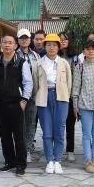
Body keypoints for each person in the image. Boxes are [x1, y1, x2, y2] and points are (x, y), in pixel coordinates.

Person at [0, 34, 32, 175]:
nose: (7, 45)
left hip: (16, 104)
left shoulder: (21, 62)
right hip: (0, 104)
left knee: (19, 136)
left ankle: (21, 164)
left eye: (10, 43)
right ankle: (10, 161)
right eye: (5, 42)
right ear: (1, 45)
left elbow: (28, 82)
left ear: (15, 45)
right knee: (5, 135)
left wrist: (24, 100)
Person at [35, 33, 73, 174]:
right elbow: (35, 84)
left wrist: (65, 96)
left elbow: (69, 82)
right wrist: (39, 95)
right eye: (49, 45)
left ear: (58, 47)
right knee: (47, 132)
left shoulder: (64, 63)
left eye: (54, 45)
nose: (51, 47)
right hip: (44, 98)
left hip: (61, 98)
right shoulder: (38, 64)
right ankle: (49, 160)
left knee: (59, 131)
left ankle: (57, 160)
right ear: (45, 47)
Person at [71, 39, 94, 173]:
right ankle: (88, 161)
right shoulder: (79, 67)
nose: (90, 51)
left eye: (93, 49)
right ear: (84, 51)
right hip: (84, 105)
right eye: (88, 49)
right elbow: (75, 89)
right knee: (87, 134)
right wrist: (75, 106)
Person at [17, 28, 40, 163]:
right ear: (18, 40)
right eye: (22, 38)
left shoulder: (36, 55)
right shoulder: (15, 54)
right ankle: (20, 149)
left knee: (31, 123)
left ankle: (28, 149)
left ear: (30, 40)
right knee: (19, 123)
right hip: (19, 95)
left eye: (26, 38)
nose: (24, 40)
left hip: (33, 95)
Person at [58, 31, 79, 162]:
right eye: (60, 39)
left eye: (65, 39)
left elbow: (76, 75)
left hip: (70, 94)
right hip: (58, 93)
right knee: (58, 124)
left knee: (70, 124)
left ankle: (70, 150)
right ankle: (58, 148)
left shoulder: (75, 57)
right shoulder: (54, 55)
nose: (63, 41)